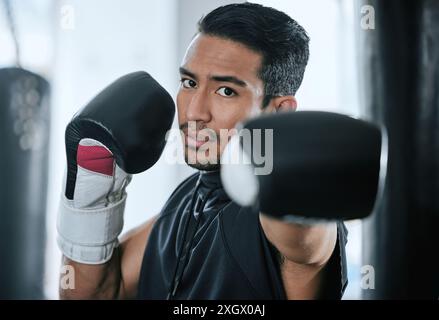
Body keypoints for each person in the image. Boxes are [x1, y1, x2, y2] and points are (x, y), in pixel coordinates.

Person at [58, 2, 348, 300]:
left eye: (226, 91)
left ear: (279, 112)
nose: (194, 112)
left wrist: (314, 183)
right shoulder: (184, 202)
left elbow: (302, 227)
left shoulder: (277, 219)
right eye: (189, 82)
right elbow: (98, 295)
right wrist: (90, 201)